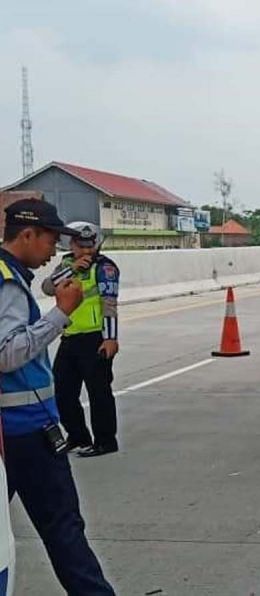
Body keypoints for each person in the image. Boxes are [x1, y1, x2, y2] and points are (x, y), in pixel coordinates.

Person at [0, 200, 115, 593]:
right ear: (27, 234)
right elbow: (6, 353)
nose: (54, 251)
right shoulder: (8, 283)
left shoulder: (12, 275)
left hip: (12, 431)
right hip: (27, 430)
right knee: (64, 528)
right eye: (51, 240)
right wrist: (60, 313)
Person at [43, 222, 121, 457]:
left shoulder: (105, 268)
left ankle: (105, 441)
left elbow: (109, 305)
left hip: (95, 338)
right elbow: (47, 287)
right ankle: (78, 436)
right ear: (72, 245)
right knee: (62, 392)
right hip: (70, 336)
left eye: (90, 246)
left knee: (99, 393)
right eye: (80, 246)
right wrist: (72, 269)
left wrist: (111, 338)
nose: (86, 251)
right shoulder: (66, 265)